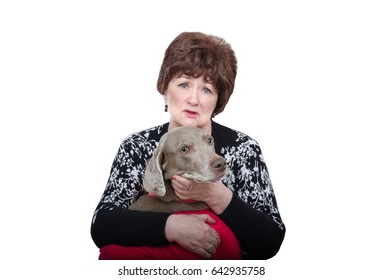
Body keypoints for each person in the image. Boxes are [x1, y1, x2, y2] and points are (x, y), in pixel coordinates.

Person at [91, 31, 286, 260]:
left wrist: (217, 196)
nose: (193, 99)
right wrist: (171, 226)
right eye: (184, 84)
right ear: (165, 89)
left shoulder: (243, 149)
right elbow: (102, 225)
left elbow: (270, 242)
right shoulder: (137, 146)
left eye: (206, 89)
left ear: (218, 100)